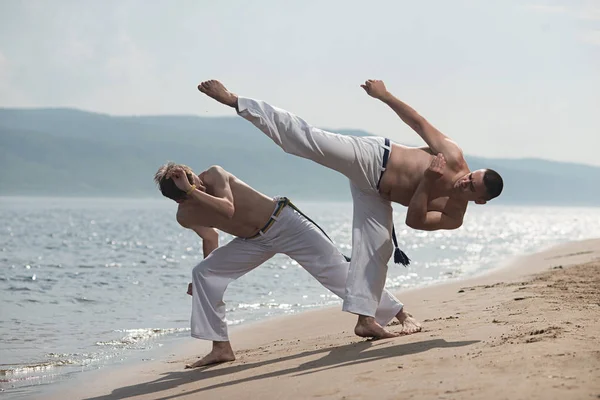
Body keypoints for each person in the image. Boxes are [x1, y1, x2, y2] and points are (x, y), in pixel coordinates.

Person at [197, 79, 504, 338]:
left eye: (472, 187)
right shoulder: (452, 155)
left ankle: (365, 319)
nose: (465, 181)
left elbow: (414, 220)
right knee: (308, 140)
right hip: (373, 157)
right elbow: (418, 122)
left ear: (479, 200)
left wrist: (426, 182)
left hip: (376, 194)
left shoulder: (453, 216)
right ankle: (237, 101)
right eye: (470, 177)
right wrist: (384, 96)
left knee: (378, 248)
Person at [153, 162, 421, 368]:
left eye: (193, 181)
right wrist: (211, 269)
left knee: (336, 271)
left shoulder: (214, 174)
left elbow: (228, 209)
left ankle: (399, 313)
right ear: (177, 200)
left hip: (284, 222)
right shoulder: (186, 213)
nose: (196, 188)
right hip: (252, 242)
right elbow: (210, 236)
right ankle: (221, 348)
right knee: (203, 273)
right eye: (187, 191)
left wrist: (190, 188)